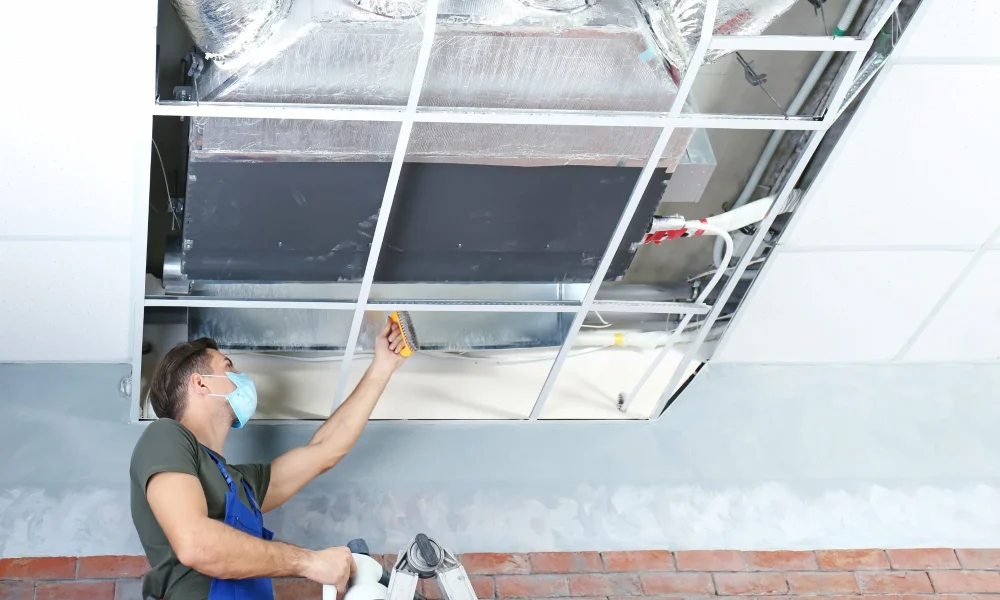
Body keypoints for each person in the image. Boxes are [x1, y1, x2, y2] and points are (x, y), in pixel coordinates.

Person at [129, 318, 407, 600]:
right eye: (228, 366)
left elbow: (325, 450)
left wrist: (382, 366)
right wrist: (309, 561)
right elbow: (195, 543)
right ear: (200, 383)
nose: (241, 376)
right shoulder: (166, 435)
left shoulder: (242, 483)